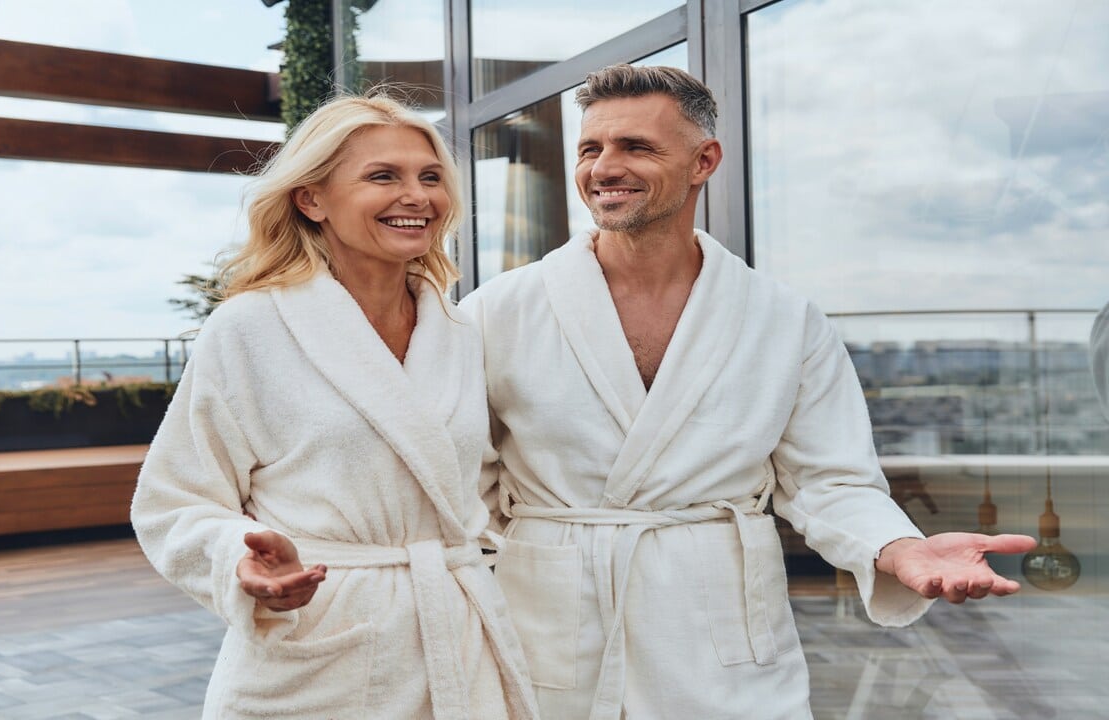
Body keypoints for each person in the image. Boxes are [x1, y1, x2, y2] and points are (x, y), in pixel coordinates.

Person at [460, 64, 1037, 720]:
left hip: (719, 640)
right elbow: (458, 485)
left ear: (704, 161)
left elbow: (830, 481)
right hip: (551, 630)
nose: (604, 167)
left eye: (636, 147)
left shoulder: (782, 319)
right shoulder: (499, 312)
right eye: (591, 148)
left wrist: (899, 548)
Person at [131, 93, 537, 720]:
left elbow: (478, 484)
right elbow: (174, 499)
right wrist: (246, 561)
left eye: (431, 177)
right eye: (383, 176)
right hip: (318, 642)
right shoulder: (251, 327)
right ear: (310, 198)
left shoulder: (457, 332)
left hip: (453, 638)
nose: (418, 196)